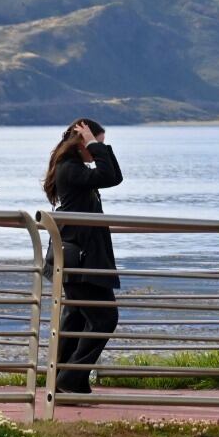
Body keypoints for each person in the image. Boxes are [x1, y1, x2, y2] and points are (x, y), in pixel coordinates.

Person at [43, 118, 124, 395]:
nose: (98, 149)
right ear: (80, 143)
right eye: (94, 144)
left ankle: (60, 376)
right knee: (105, 319)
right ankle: (71, 377)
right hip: (80, 256)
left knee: (76, 317)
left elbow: (113, 175)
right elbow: (110, 177)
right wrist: (91, 142)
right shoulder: (70, 170)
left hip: (79, 254)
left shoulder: (73, 169)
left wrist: (95, 144)